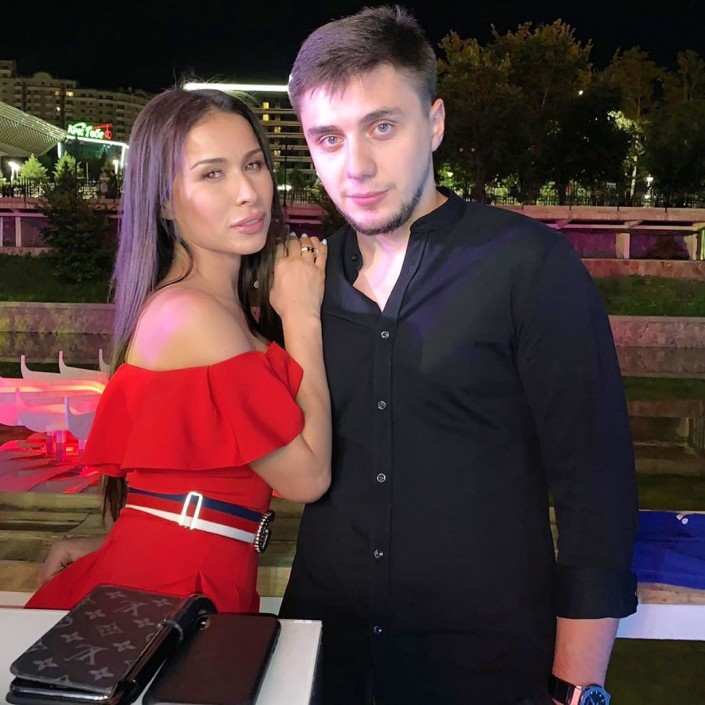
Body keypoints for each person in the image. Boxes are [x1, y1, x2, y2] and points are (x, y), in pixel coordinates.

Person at [277, 6, 638, 705]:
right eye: (329, 137)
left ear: (434, 122)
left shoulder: (529, 266)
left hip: (485, 670)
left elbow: (595, 492)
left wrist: (575, 688)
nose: (356, 165)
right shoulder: (302, 281)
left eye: (383, 126)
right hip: (324, 661)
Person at [25, 87, 330, 614]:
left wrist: (112, 540)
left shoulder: (213, 307)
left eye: (253, 164)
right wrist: (303, 316)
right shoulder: (192, 315)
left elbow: (179, 480)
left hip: (190, 568)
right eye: (212, 174)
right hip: (178, 587)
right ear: (164, 201)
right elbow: (308, 477)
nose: (248, 192)